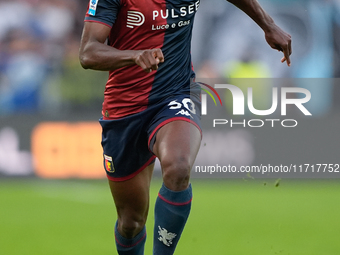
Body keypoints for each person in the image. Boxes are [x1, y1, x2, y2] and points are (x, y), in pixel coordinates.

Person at [79, 0, 291, 254]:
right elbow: (88, 52)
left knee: (178, 167)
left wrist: (268, 25)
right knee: (131, 223)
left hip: (177, 93)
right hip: (125, 109)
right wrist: (134, 56)